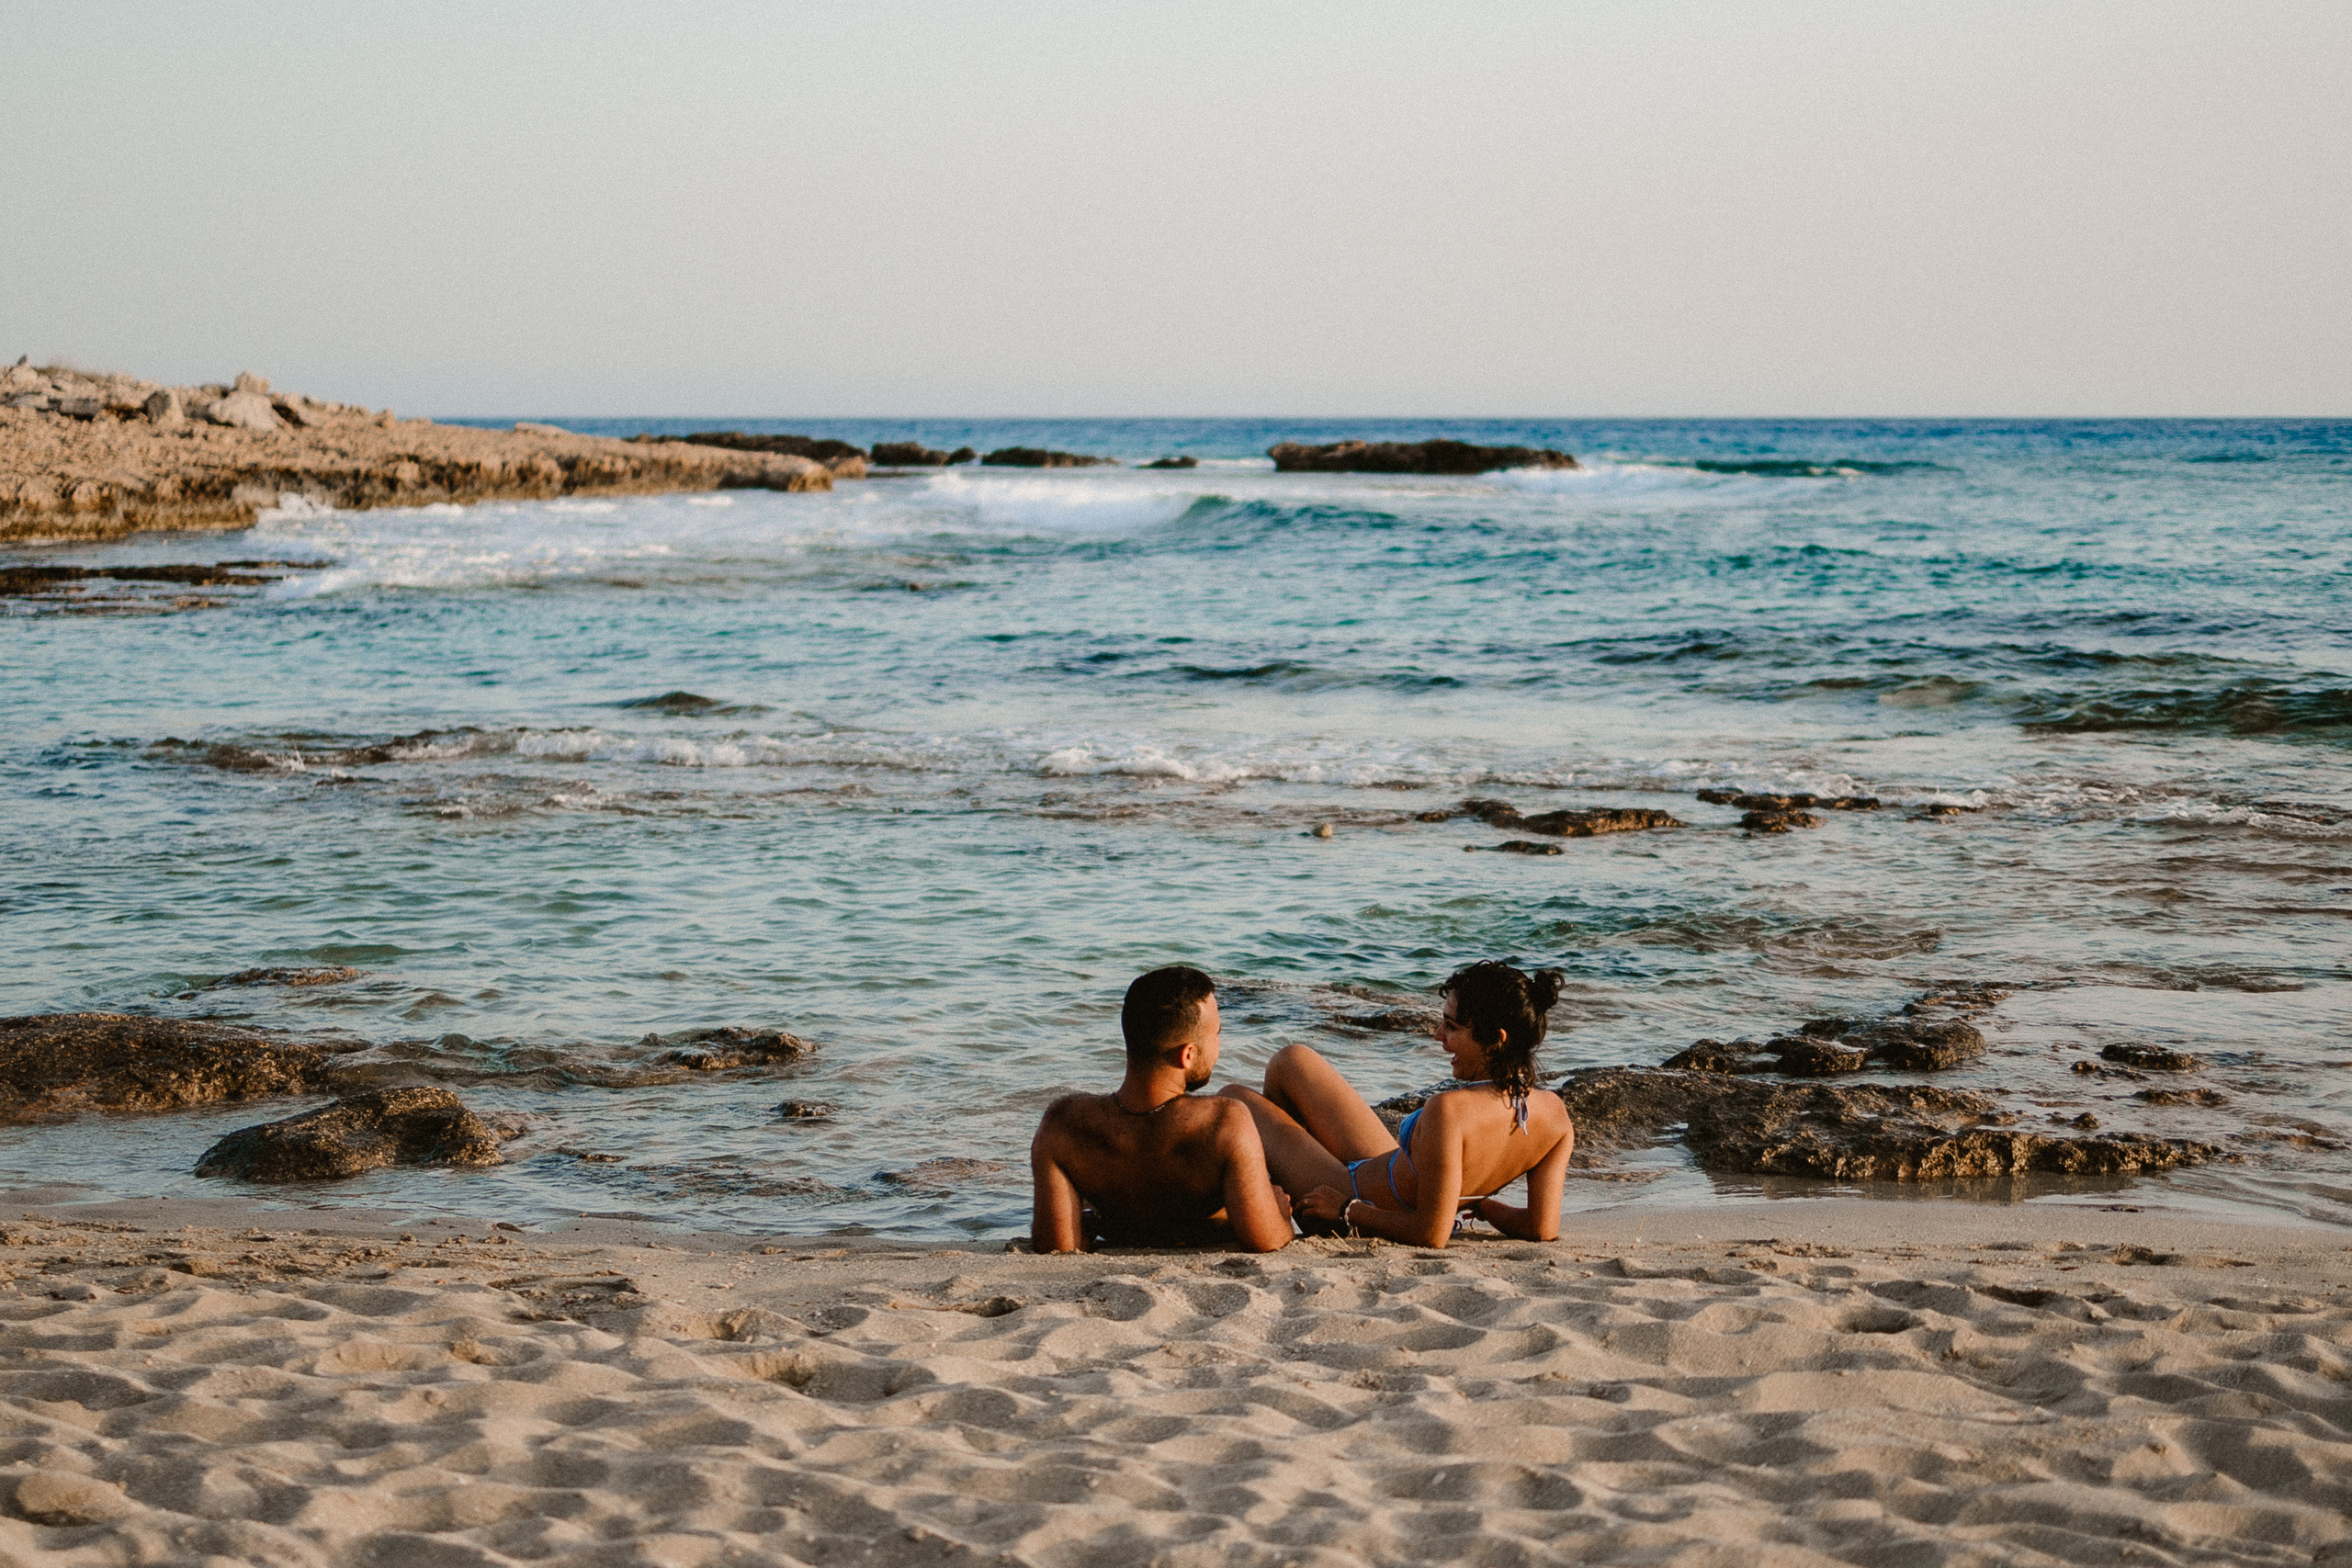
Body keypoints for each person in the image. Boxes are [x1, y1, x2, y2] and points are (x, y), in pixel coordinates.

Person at [1220, 960, 1572, 1248]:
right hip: (1387, 1171)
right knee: (1291, 1060)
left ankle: (1268, 1211)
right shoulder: (1556, 1116)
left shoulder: (1450, 1110)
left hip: (1352, 1202)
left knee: (1235, 1100)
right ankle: (1279, 1188)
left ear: (1496, 1040)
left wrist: (1346, 1208)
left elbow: (1430, 1234)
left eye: (1451, 1026)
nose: (1437, 1035)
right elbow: (1541, 1227)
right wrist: (1484, 1206)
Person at [1030, 965, 1294, 1253]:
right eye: (1216, 1034)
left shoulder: (1063, 1124)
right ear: (1187, 1055)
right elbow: (1266, 1240)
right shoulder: (1224, 1121)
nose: (1219, 1043)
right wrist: (1279, 1212)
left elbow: (1056, 1246)